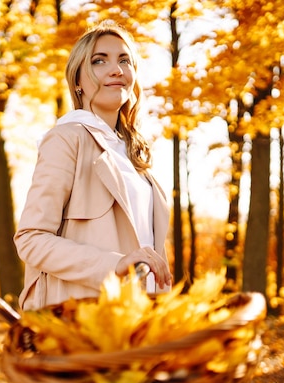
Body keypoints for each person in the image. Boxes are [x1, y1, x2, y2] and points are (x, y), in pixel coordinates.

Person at [14, 21, 173, 311]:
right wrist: (116, 265)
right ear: (78, 80)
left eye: (124, 60)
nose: (116, 69)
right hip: (79, 316)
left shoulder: (133, 154)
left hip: (138, 315)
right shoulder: (67, 138)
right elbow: (31, 239)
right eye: (99, 61)